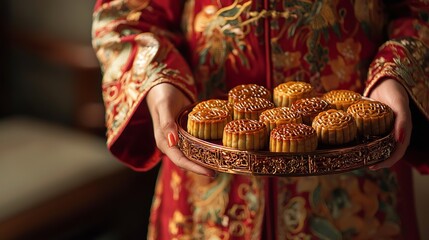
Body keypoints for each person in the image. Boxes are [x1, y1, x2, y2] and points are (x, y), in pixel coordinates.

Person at [91, 0, 429, 239]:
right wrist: (160, 84)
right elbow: (125, 15)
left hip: (357, 174)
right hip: (207, 173)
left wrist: (394, 75)